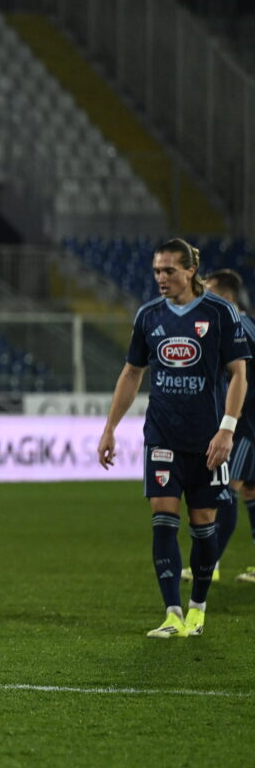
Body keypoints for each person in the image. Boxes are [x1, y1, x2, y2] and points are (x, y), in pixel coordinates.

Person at [97, 238, 249, 638]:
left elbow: (239, 374)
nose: (161, 278)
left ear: (190, 271)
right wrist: (110, 427)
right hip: (162, 435)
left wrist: (227, 430)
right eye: (156, 271)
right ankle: (172, 613)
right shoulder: (149, 316)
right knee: (163, 522)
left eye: (169, 271)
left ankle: (198, 608)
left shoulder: (220, 312)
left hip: (208, 441)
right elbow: (132, 373)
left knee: (203, 527)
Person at [180, 268, 255, 586]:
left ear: (225, 297)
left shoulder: (237, 326)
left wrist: (232, 422)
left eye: (207, 291)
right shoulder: (235, 324)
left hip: (245, 426)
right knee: (250, 490)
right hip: (240, 423)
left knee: (228, 487)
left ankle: (209, 564)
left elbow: (241, 378)